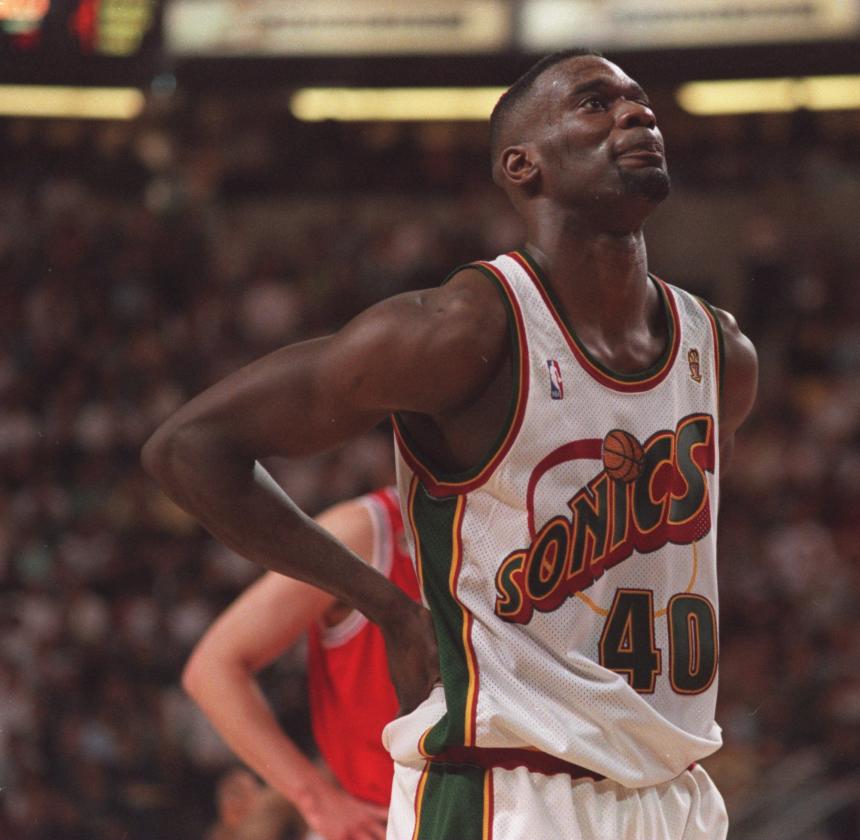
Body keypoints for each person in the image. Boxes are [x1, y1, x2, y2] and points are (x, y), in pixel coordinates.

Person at [143, 48, 758, 840]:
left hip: (675, 797)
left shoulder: (722, 353)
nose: (637, 114)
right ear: (521, 165)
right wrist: (388, 609)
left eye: (640, 100)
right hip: (512, 795)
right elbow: (190, 446)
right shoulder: (464, 328)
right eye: (595, 103)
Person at [183, 487, 432, 840]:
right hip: (387, 819)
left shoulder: (515, 524)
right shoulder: (364, 531)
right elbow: (212, 669)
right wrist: (315, 798)